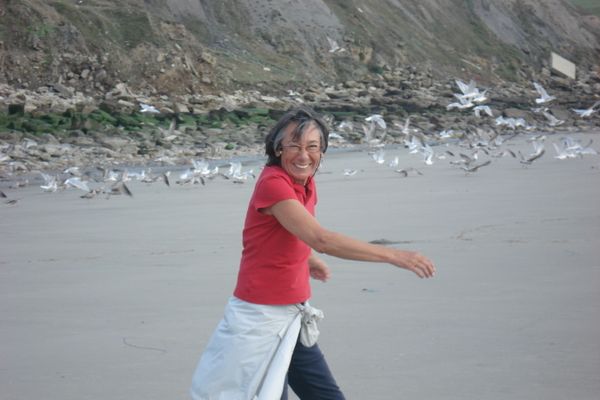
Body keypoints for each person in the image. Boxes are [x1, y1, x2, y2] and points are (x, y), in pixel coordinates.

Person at [190, 106, 435, 400]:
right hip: (259, 321)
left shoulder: (304, 182)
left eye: (312, 147)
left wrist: (305, 258)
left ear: (323, 152)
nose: (303, 155)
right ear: (278, 148)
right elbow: (321, 238)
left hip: (293, 317)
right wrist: (396, 256)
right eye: (293, 145)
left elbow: (294, 232)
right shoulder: (274, 184)